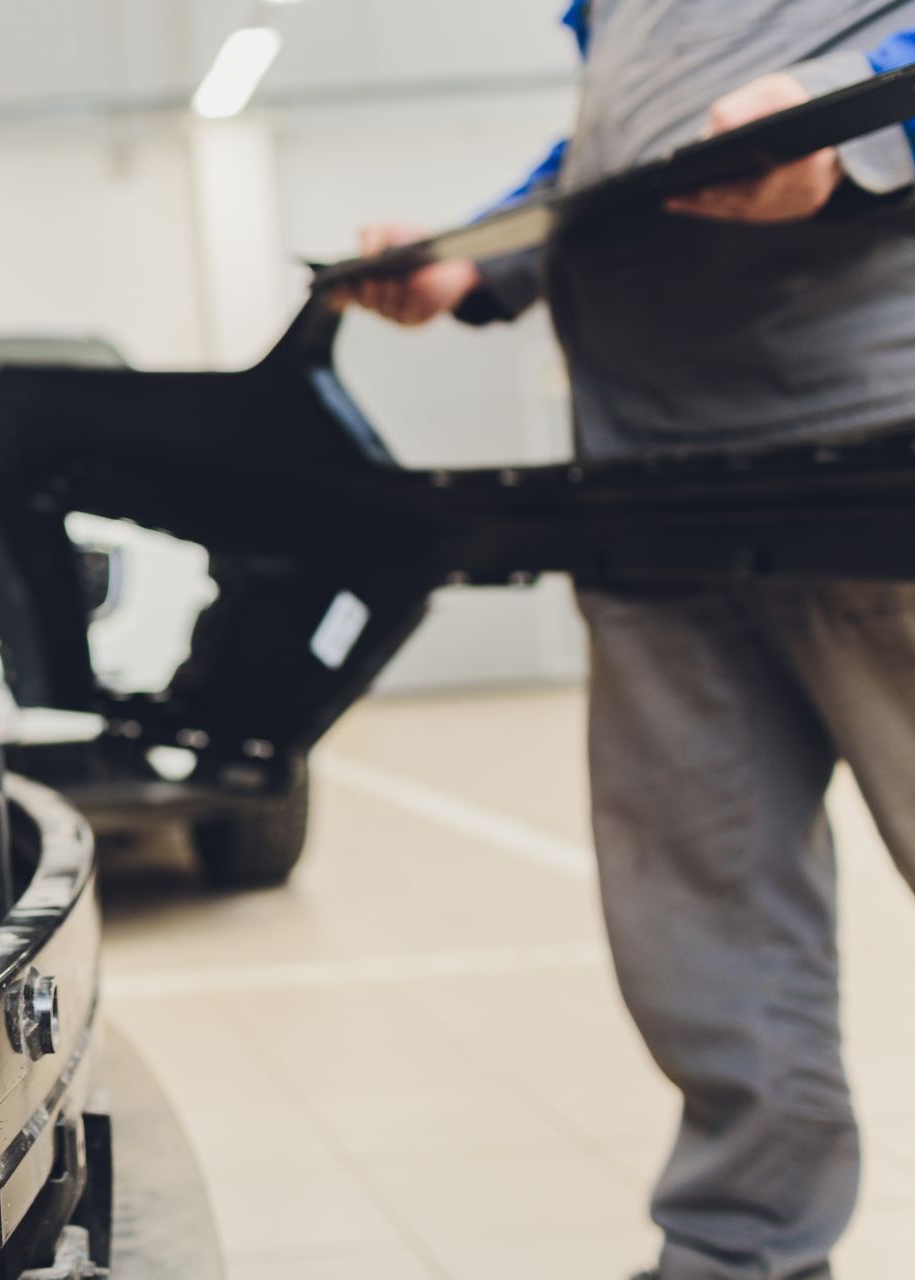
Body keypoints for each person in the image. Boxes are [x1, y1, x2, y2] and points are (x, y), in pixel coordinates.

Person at [339, 5, 915, 1280]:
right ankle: (741, 1246)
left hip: (872, 458)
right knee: (701, 906)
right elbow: (610, 157)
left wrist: (854, 133)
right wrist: (475, 261)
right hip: (653, 486)